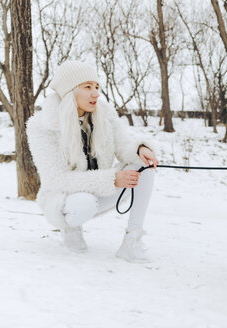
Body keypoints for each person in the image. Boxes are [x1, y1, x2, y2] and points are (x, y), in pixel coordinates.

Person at [26, 60, 158, 263]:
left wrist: (140, 149)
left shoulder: (103, 113)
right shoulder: (42, 126)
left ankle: (132, 241)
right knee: (84, 202)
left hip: (101, 191)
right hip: (65, 201)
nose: (95, 93)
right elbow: (57, 179)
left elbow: (124, 146)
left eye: (96, 87)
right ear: (70, 91)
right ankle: (70, 228)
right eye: (87, 87)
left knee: (143, 166)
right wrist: (113, 179)